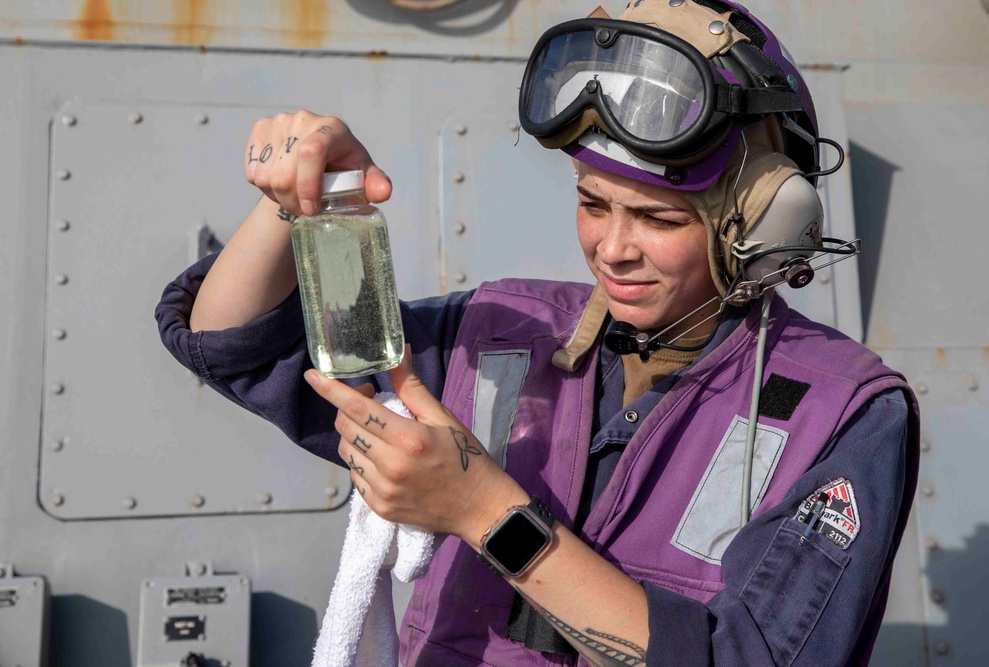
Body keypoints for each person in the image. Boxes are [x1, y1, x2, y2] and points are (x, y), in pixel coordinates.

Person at [156, 1, 919, 665]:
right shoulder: (499, 331)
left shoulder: (843, 411)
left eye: (658, 218)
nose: (613, 248)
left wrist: (486, 513)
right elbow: (239, 346)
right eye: (593, 203)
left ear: (761, 225)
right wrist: (296, 201)